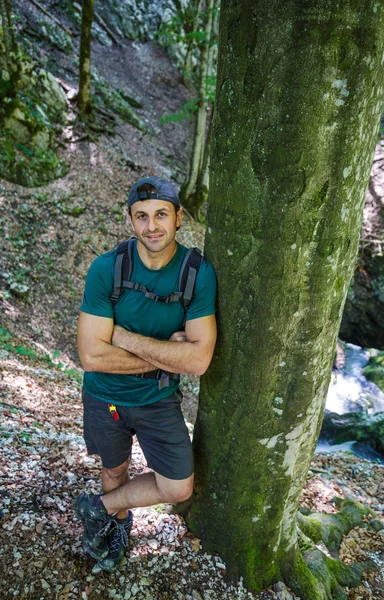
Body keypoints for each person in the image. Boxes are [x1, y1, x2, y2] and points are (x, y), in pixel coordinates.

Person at [74, 176, 217, 571]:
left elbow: (199, 361)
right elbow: (91, 355)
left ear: (178, 218)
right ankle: (115, 530)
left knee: (177, 485)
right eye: (142, 217)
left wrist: (122, 337)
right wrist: (170, 355)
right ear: (130, 221)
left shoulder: (196, 273)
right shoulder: (107, 269)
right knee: (114, 469)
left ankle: (97, 509)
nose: (152, 226)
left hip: (158, 398)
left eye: (160, 215)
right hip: (106, 395)